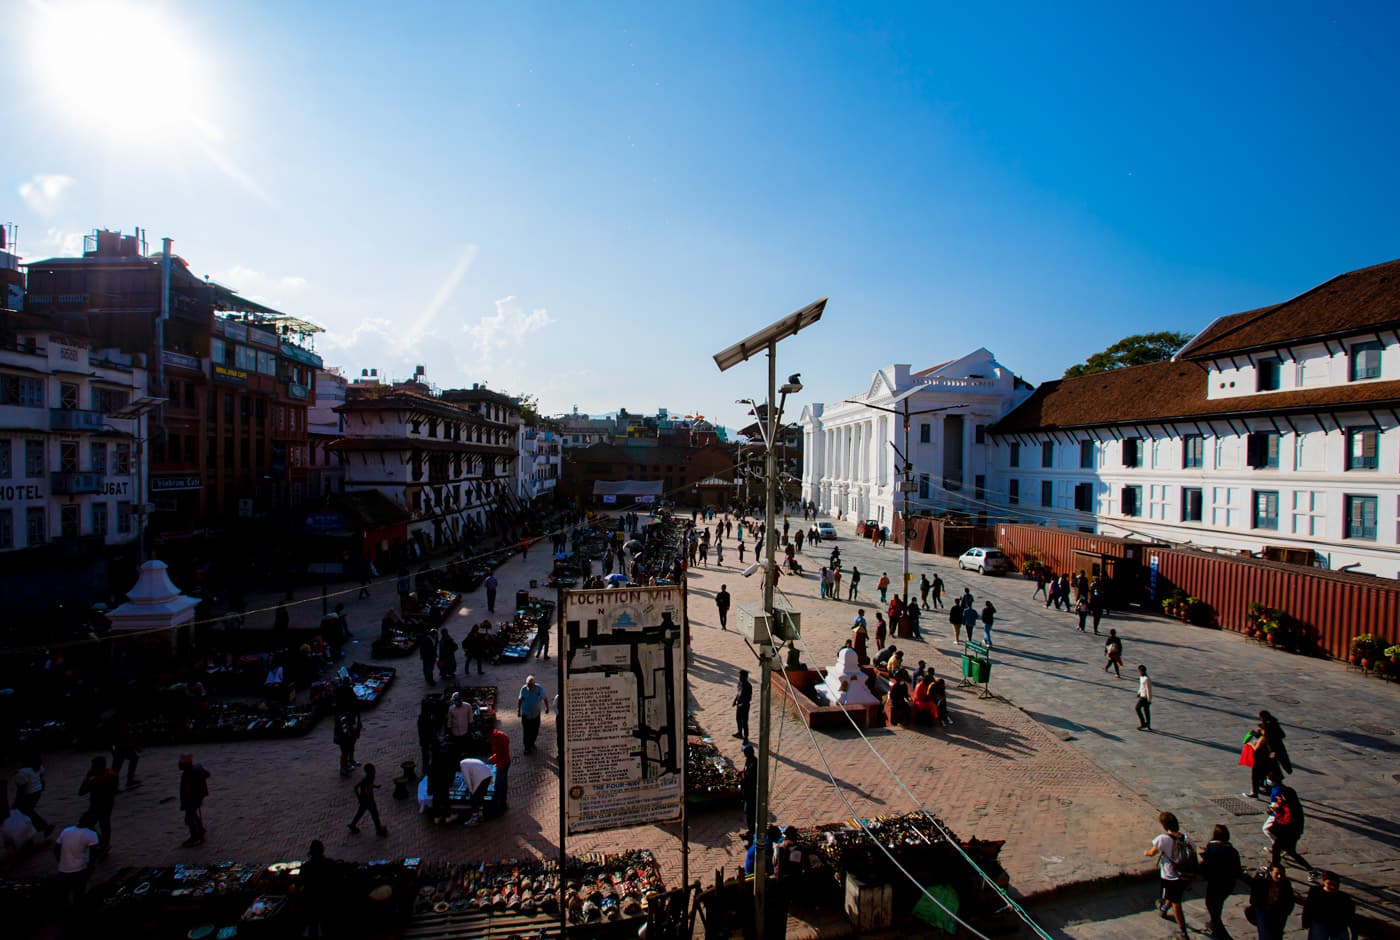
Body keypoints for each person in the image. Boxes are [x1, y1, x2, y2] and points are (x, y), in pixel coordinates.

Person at [1144, 810, 1194, 938]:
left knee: (1176, 902)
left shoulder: (1163, 839)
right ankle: (1164, 909)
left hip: (1171, 876)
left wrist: (1146, 853)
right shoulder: (1186, 838)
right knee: (1173, 895)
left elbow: (1152, 852)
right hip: (1186, 875)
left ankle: (1183, 931)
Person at [1201, 823, 1242, 939]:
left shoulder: (1213, 848)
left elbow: (1207, 865)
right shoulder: (1233, 851)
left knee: (1211, 904)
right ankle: (1214, 924)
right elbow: (1237, 869)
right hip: (1229, 884)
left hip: (1216, 882)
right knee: (1218, 904)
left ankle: (1220, 931)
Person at [53, 811, 101, 907]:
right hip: (79, 869)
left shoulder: (66, 830)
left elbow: (56, 849)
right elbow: (93, 853)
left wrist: (61, 861)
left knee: (64, 894)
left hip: (63, 869)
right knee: (79, 895)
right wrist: (90, 868)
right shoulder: (91, 834)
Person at [1301, 870, 1357, 940]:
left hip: (1338, 926)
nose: (1333, 887)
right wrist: (1305, 921)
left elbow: (1350, 915)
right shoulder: (1315, 892)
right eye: (1330, 884)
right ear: (1324, 883)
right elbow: (1308, 907)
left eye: (1336, 885)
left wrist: (1353, 932)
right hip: (1320, 923)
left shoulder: (1344, 897)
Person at [1249, 864, 1295, 940]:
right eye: (1277, 874)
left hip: (1278, 914)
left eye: (1282, 874)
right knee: (1265, 935)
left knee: (1277, 935)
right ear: (1270, 872)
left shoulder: (1286, 884)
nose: (1279, 876)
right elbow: (1254, 896)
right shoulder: (1262, 881)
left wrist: (1285, 912)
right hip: (1263, 912)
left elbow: (1290, 900)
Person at [13, 750, 53, 836]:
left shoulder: (22, 772)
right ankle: (41, 827)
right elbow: (42, 780)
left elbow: (21, 790)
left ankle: (42, 827)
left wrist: (16, 802)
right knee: (28, 811)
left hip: (30, 794)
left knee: (26, 811)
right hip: (37, 792)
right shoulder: (38, 767)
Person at [178, 753, 210, 847]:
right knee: (193, 815)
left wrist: (185, 802)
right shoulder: (196, 771)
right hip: (196, 798)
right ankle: (200, 830)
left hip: (191, 799)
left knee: (190, 818)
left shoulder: (189, 774)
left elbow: (187, 791)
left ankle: (196, 836)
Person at [348, 764, 388, 836]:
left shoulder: (370, 778)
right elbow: (356, 787)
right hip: (367, 800)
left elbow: (369, 785)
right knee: (374, 814)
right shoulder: (366, 779)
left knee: (361, 813)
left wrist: (375, 786)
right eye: (373, 770)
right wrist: (359, 797)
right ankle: (379, 829)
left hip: (366, 799)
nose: (375, 771)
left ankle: (352, 824)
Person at [457, 757, 495, 825]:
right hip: (487, 776)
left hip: (481, 778)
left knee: (474, 799)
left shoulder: (462, 765)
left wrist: (471, 791)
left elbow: (467, 779)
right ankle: (480, 815)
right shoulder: (467, 761)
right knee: (480, 797)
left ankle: (474, 819)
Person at [518, 675, 550, 754]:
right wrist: (518, 710)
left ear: (534, 684)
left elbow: (545, 698)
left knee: (535, 730)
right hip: (526, 715)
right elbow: (520, 700)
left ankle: (532, 743)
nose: (529, 687)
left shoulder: (539, 688)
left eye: (531, 685)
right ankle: (526, 748)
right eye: (528, 685)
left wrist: (547, 708)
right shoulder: (523, 689)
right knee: (526, 731)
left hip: (536, 715)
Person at [487, 726, 511, 814]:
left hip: (502, 764)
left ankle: (500, 806)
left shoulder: (497, 740)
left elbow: (499, 755)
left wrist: (491, 760)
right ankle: (503, 803)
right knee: (503, 783)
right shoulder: (502, 735)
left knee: (498, 785)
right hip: (506, 761)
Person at [738, 743, 758, 840]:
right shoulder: (748, 761)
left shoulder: (754, 764)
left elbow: (748, 778)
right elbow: (744, 773)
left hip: (751, 793)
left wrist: (742, 777)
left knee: (750, 814)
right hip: (747, 792)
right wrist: (740, 774)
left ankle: (752, 834)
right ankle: (751, 832)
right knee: (748, 813)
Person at [733, 669, 753, 741]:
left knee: (744, 721)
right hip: (739, 704)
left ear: (745, 677)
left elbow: (748, 698)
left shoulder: (748, 686)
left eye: (741, 675)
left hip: (745, 706)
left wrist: (742, 704)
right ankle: (739, 733)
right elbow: (738, 693)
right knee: (738, 719)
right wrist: (735, 700)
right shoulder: (740, 683)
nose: (739, 677)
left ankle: (746, 736)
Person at [1136, 664, 1153, 731]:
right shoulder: (1141, 677)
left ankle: (1143, 724)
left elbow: (1148, 689)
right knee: (1146, 711)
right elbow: (1141, 686)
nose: (1139, 672)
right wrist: (1138, 692)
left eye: (1140, 671)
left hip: (1145, 697)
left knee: (1137, 708)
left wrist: (1149, 700)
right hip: (1142, 695)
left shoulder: (1146, 678)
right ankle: (1148, 725)